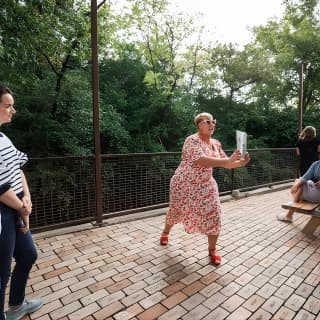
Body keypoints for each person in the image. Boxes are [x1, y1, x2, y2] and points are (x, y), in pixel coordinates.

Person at [159, 112, 250, 265]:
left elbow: (226, 163)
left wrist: (240, 163)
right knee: (176, 210)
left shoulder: (216, 143)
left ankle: (212, 250)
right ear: (199, 124)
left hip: (206, 184)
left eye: (213, 121)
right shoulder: (192, 140)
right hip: (184, 184)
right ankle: (165, 232)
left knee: (214, 213)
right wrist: (228, 160)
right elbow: (201, 160)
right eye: (207, 121)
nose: (212, 124)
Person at [0, 83, 43, 320]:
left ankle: (16, 305)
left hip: (16, 206)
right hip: (3, 212)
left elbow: (18, 169)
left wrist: (26, 197)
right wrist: (21, 207)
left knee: (28, 255)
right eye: (8, 106)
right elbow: (0, 187)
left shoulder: (3, 137)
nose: (12, 111)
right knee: (1, 272)